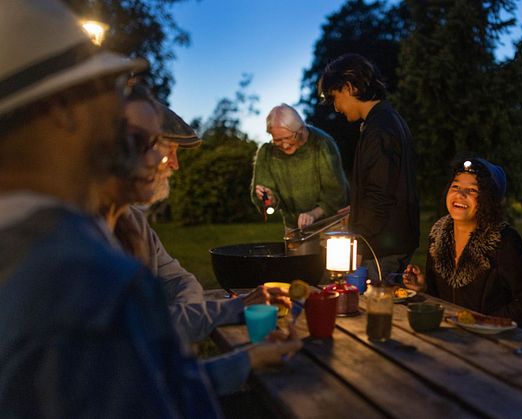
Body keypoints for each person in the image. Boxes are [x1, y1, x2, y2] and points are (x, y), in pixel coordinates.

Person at [0, 2, 297, 416]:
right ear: (63, 110)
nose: (115, 114)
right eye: (103, 88)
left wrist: (242, 356)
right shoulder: (89, 278)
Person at [97, 83, 299, 397]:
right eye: (161, 148)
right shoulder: (85, 248)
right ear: (113, 149)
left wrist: (235, 314)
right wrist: (240, 350)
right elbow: (141, 379)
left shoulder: (132, 223)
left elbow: (179, 283)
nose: (172, 164)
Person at [402, 158, 522, 328]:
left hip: (490, 343)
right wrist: (422, 288)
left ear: (488, 199)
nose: (460, 194)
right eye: (456, 186)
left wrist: (484, 322)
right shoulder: (438, 236)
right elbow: (441, 298)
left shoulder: (503, 240)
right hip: (447, 335)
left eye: (472, 190)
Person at [317, 53, 419, 282]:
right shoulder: (388, 119)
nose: (336, 107)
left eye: (334, 98)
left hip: (380, 249)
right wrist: (357, 207)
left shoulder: (380, 128)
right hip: (386, 242)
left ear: (349, 87)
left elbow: (380, 194)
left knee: (347, 301)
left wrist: (358, 249)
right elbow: (387, 184)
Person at [251, 103, 349, 231]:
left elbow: (336, 194)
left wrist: (313, 214)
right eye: (277, 140)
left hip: (330, 224)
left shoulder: (322, 144)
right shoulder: (267, 152)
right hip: (294, 227)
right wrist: (269, 199)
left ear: (301, 129)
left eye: (288, 138)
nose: (284, 146)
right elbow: (264, 199)